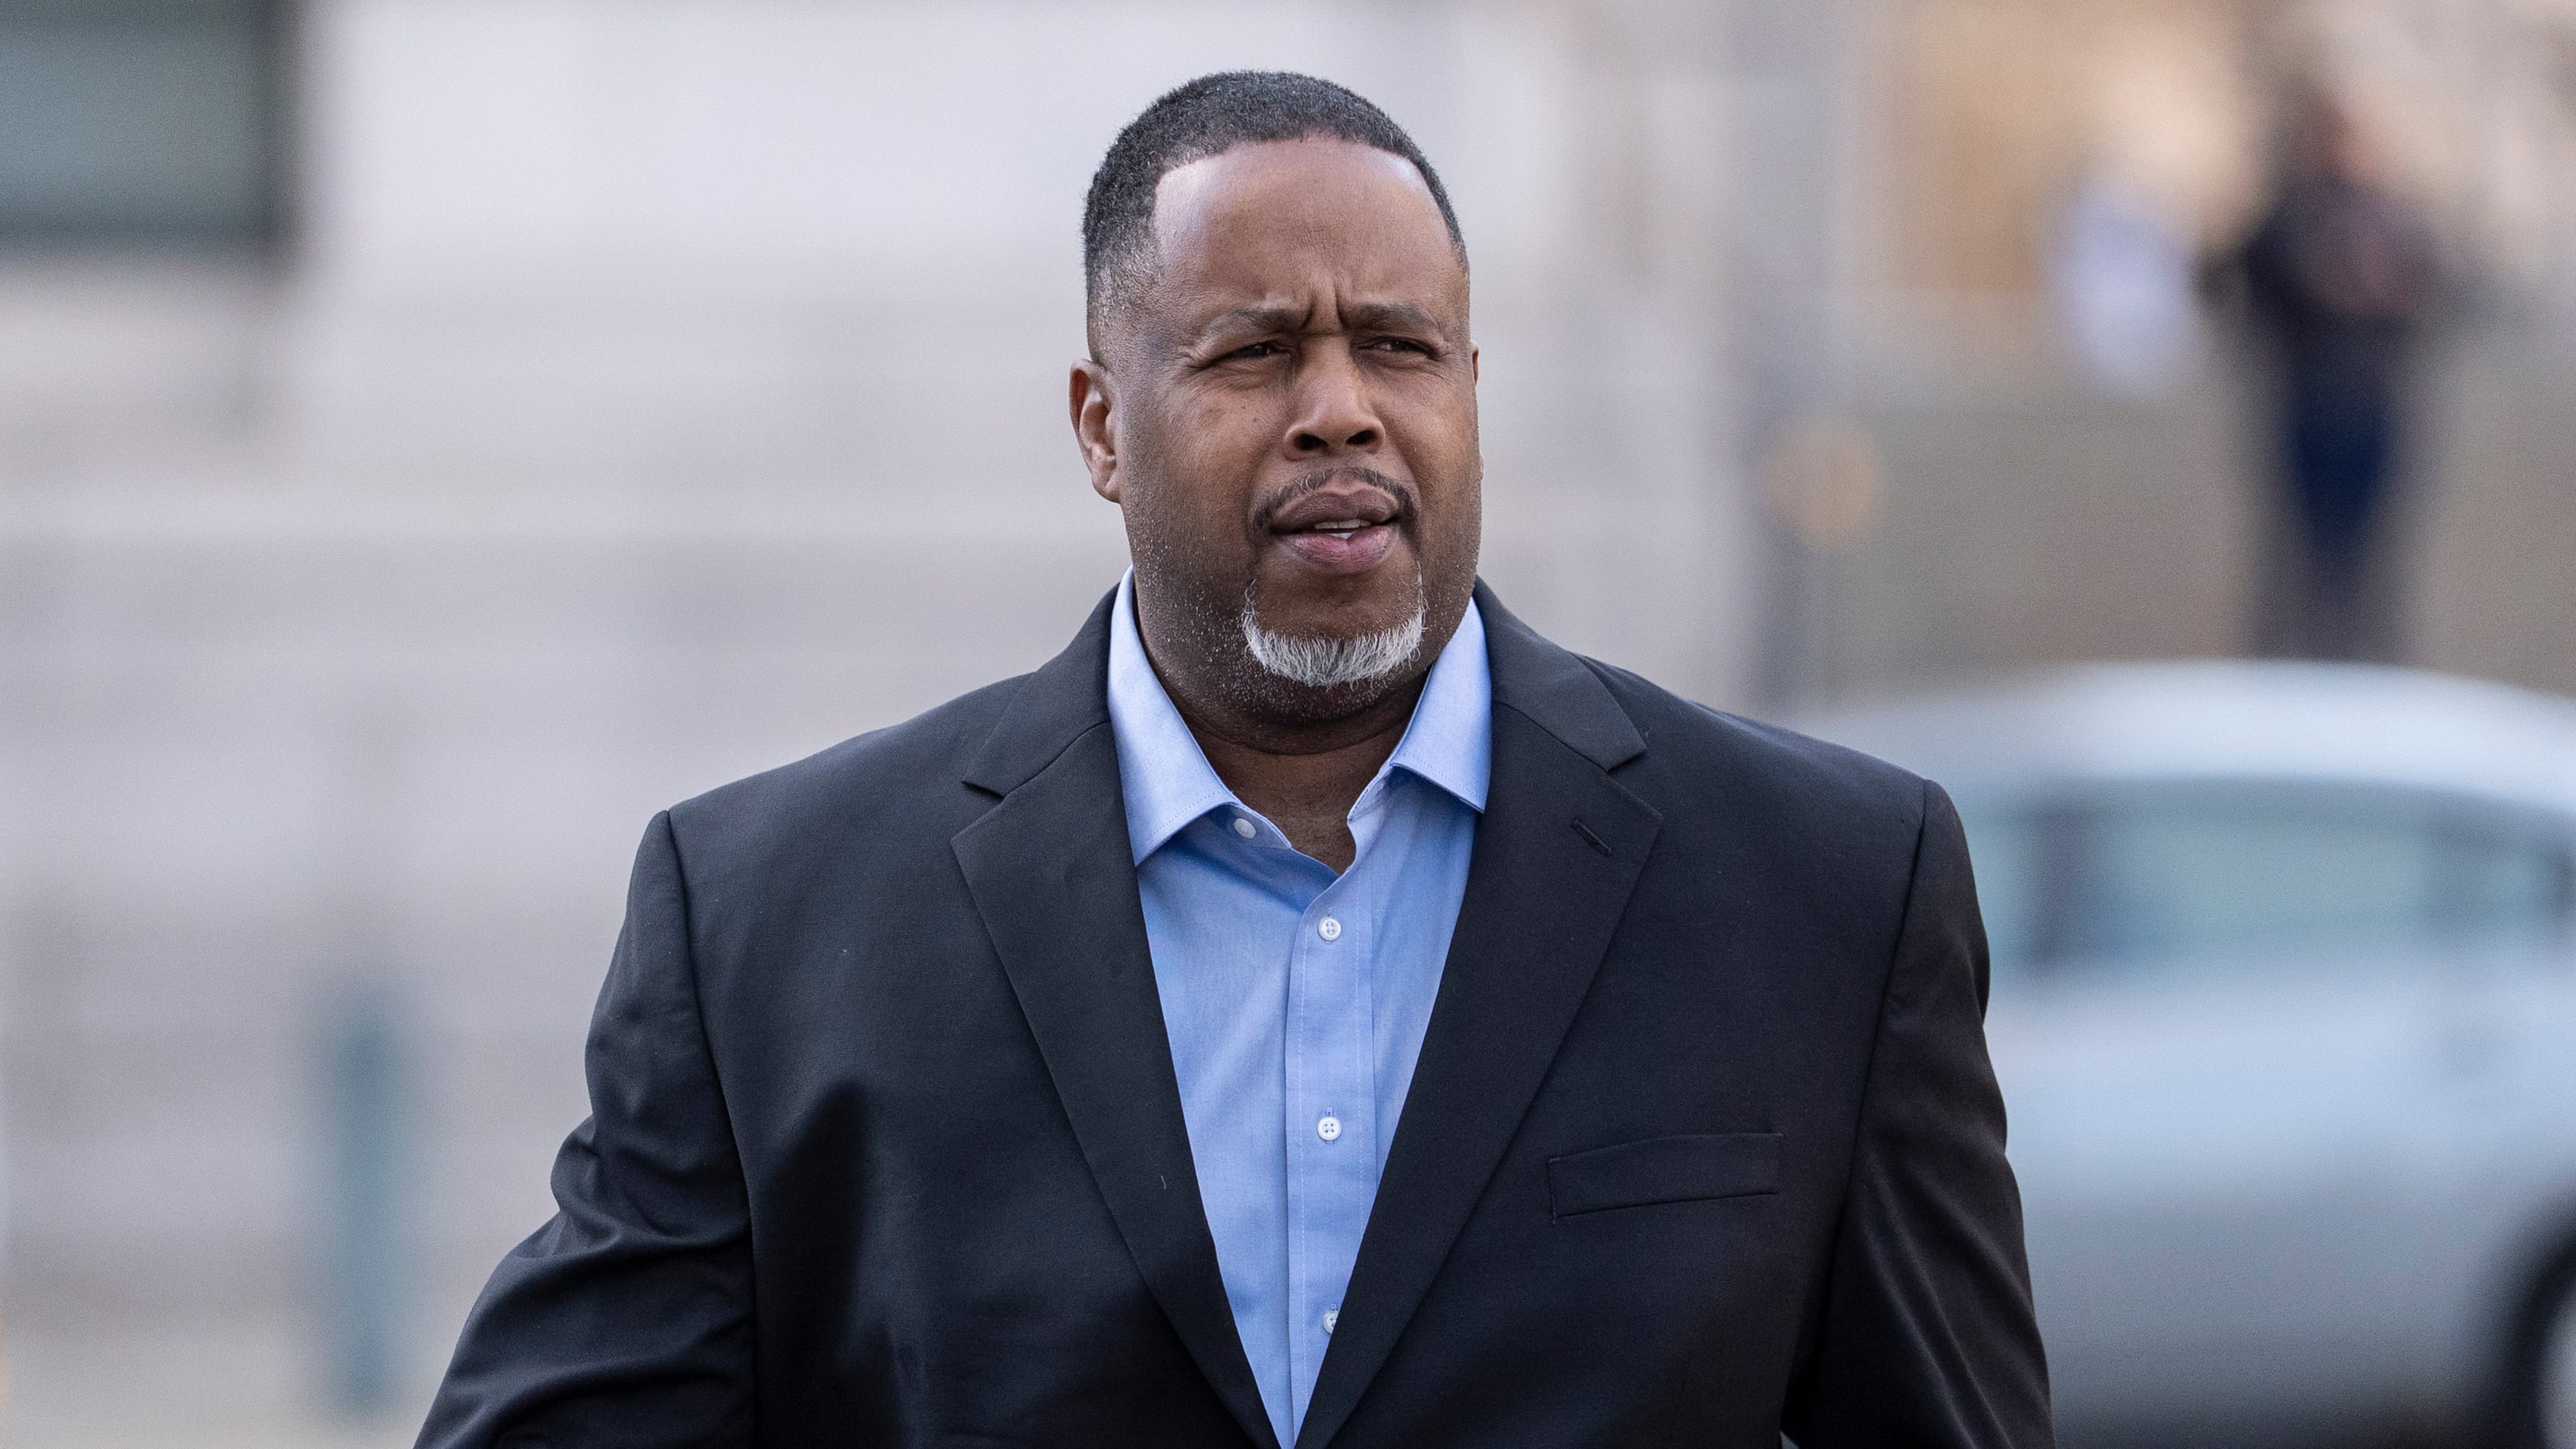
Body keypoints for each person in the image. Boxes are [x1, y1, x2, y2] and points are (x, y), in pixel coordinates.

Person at [417, 72, 2052, 1448]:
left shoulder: (1825, 888)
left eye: (1400, 348)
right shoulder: (767, 920)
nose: (1338, 408)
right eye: (1252, 351)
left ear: (1470, 392)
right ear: (1097, 426)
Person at [2228, 86, 2439, 662]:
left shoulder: (2390, 218)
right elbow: (2243, 281)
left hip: (2371, 402)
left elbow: (2431, 294)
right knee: (2303, 558)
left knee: (2368, 560)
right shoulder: (2291, 217)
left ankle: (2364, 665)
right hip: (2310, 401)